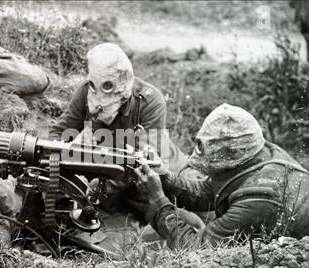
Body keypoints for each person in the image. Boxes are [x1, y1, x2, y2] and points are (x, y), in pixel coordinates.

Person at [134, 103, 309, 250]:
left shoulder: (260, 197)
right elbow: (211, 191)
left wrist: (158, 201)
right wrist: (165, 178)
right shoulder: (258, 153)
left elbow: (197, 248)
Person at [49, 42, 188, 218]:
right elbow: (61, 130)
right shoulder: (86, 91)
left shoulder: (149, 101)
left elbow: (144, 162)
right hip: (106, 171)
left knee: (172, 219)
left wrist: (96, 190)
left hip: (146, 177)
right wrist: (54, 162)